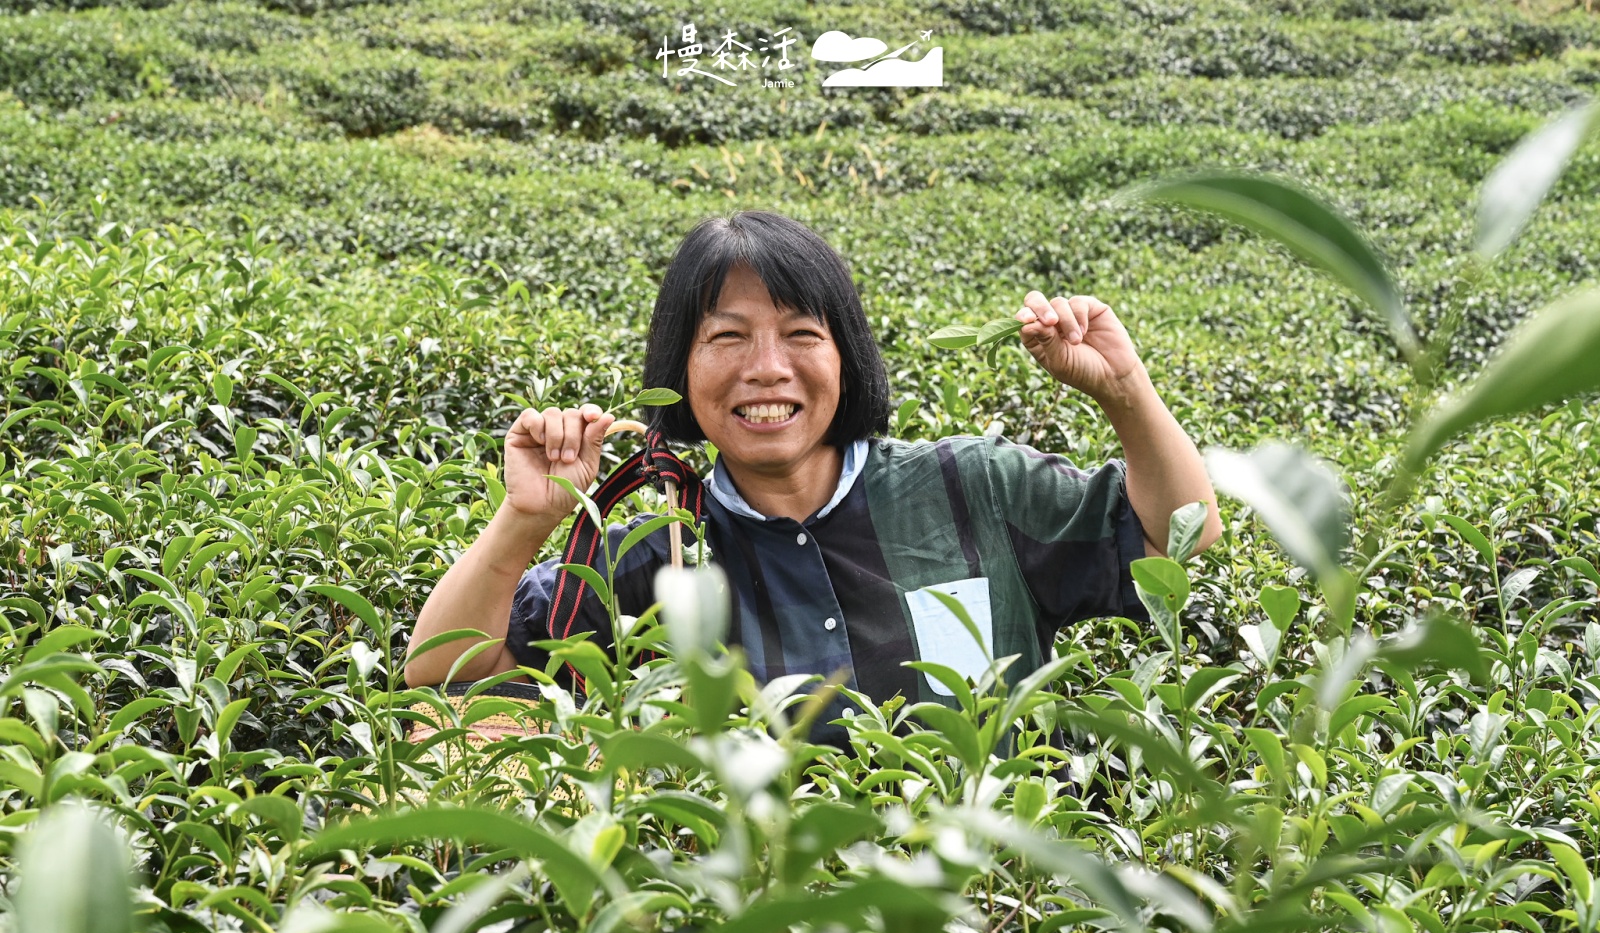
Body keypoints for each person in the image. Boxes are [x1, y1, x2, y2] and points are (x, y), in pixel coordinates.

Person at [404, 210, 1223, 748]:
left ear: (846, 357)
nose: (767, 369)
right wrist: (527, 517)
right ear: (680, 370)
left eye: (801, 332)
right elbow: (442, 671)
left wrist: (1126, 392)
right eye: (727, 337)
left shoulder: (970, 489)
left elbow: (1174, 537)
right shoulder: (662, 557)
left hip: (985, 920)